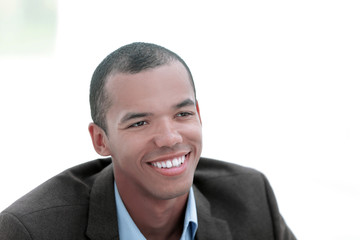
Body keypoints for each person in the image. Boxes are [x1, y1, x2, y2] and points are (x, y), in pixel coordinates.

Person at [0, 42, 296, 240]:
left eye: (182, 113)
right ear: (101, 140)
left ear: (199, 115)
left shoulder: (252, 198)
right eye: (140, 122)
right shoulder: (31, 231)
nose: (169, 138)